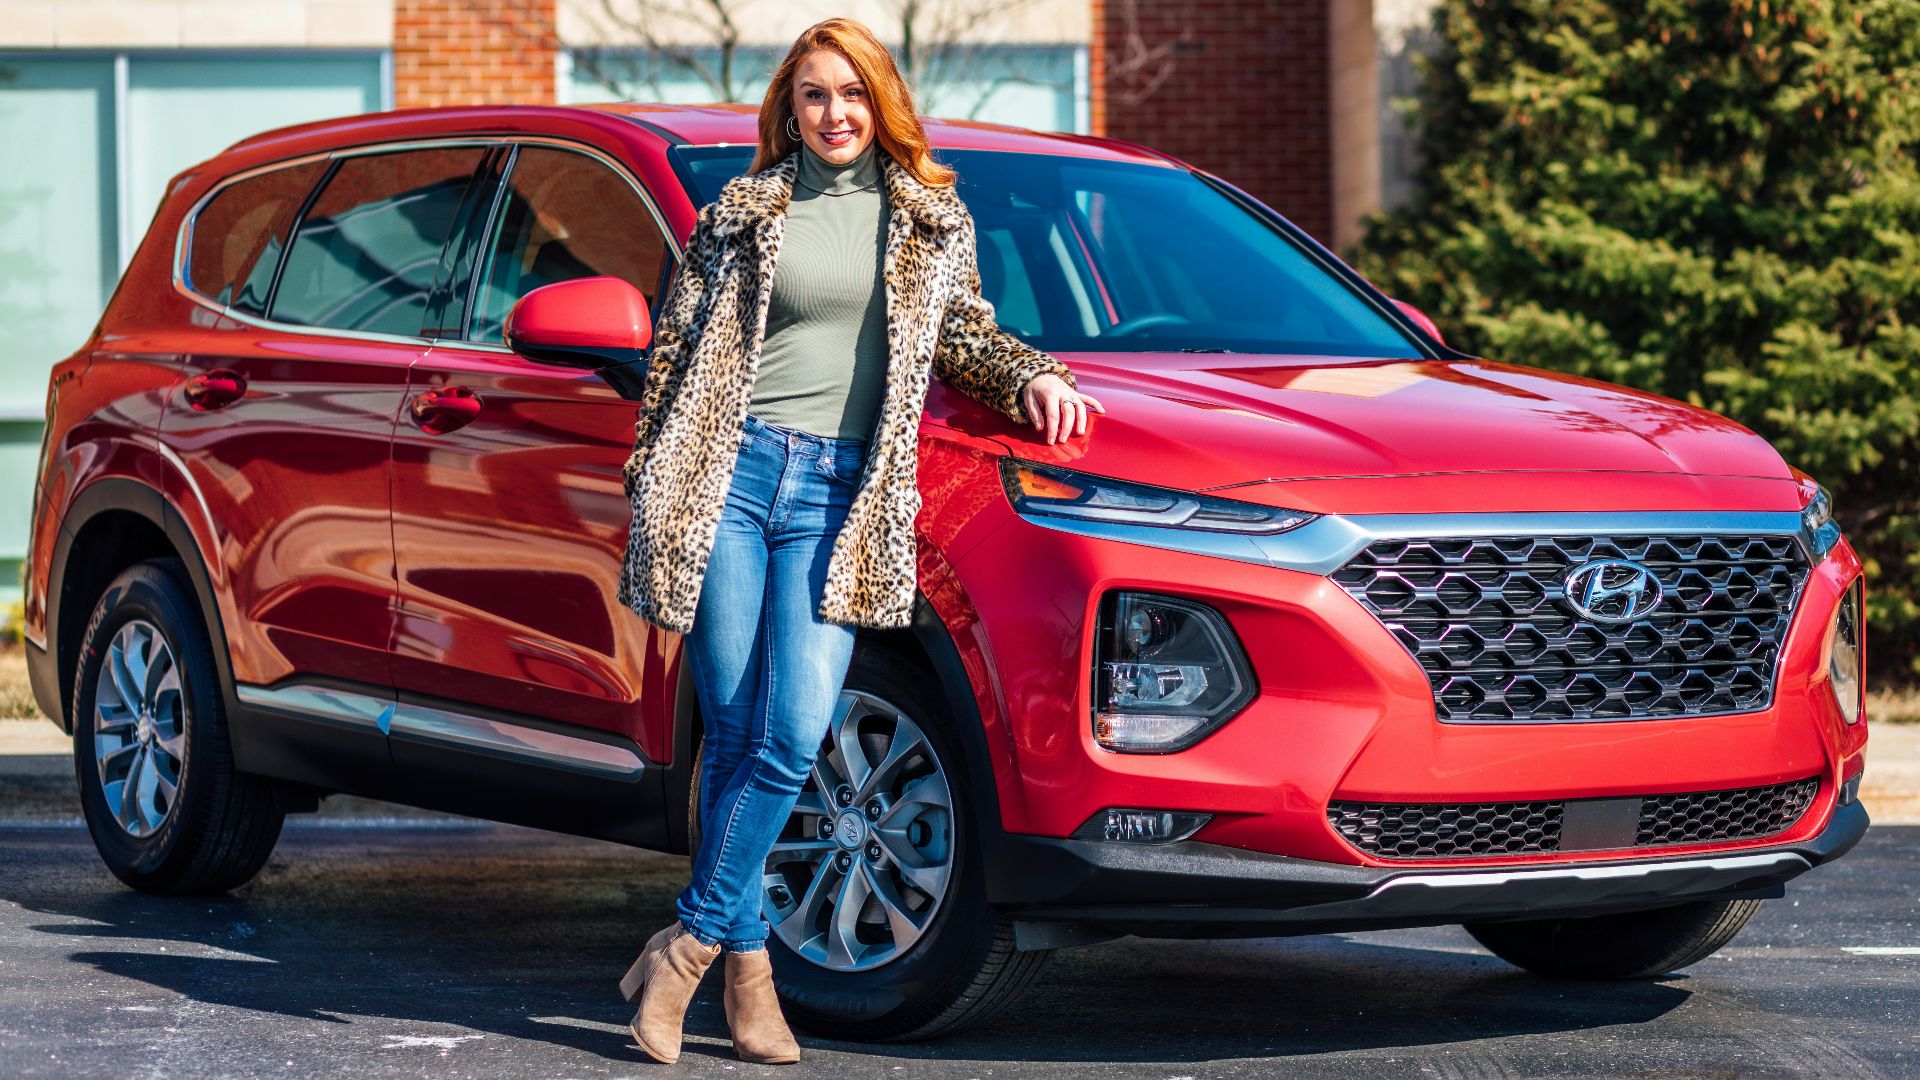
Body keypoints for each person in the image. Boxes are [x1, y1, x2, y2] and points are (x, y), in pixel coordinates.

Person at [611, 15, 1106, 1066]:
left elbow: (963, 333)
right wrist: (653, 477)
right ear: (787, 110)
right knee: (738, 732)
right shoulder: (741, 214)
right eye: (812, 96)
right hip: (732, 481)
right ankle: (752, 984)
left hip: (842, 494)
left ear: (880, 103)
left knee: (794, 731)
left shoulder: (931, 220)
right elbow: (672, 355)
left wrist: (1033, 376)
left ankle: (685, 945)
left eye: (850, 93)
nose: (834, 114)